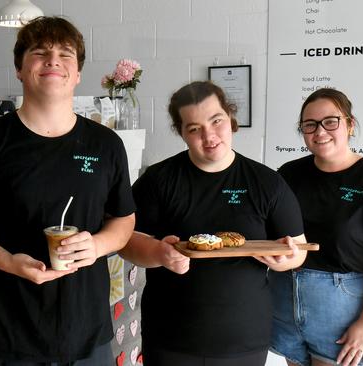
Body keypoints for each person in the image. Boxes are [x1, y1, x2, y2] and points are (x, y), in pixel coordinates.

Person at [0, 16, 136, 365]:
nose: (53, 60)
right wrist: (7, 262)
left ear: (77, 73)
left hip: (88, 334)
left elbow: (123, 221)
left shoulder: (106, 144)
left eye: (66, 54)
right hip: (10, 333)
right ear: (19, 69)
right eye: (40, 52)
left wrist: (95, 245)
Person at [118, 81, 307, 366]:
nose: (209, 136)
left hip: (243, 339)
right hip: (170, 337)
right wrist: (158, 253)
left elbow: (300, 249)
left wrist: (284, 259)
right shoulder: (158, 180)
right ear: (181, 133)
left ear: (230, 120)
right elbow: (126, 241)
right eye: (194, 128)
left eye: (216, 121)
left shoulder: (267, 183)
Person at [270, 88, 363, 366]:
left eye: (331, 121)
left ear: (350, 124)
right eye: (309, 125)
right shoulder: (289, 175)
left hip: (346, 317)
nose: (320, 132)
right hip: (288, 309)